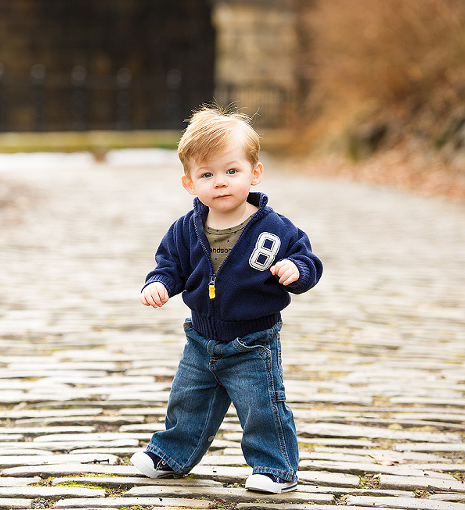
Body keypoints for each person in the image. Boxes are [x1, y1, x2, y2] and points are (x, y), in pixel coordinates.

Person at [131, 105, 323, 494]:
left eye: (231, 171)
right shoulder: (186, 229)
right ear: (189, 183)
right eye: (207, 174)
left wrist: (295, 270)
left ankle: (274, 468)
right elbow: (170, 266)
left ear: (255, 173)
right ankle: (171, 455)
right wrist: (160, 285)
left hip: (253, 342)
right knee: (187, 401)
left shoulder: (274, 228)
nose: (220, 182)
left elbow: (308, 261)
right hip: (200, 338)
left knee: (262, 408)